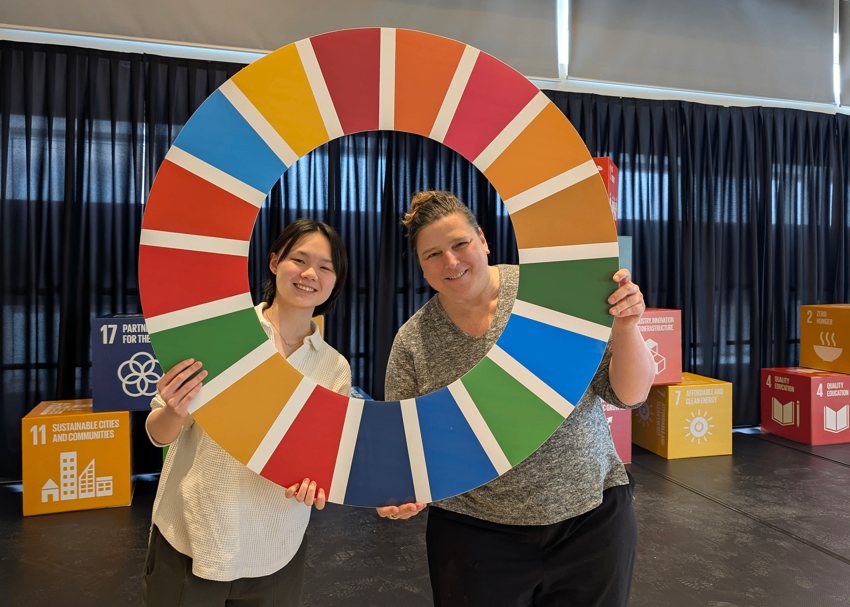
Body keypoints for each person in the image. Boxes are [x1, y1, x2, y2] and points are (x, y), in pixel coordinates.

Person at [377, 191, 655, 607]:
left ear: (483, 240)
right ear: (420, 265)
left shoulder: (549, 296)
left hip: (591, 520)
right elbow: (402, 444)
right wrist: (396, 488)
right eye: (433, 254)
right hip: (473, 533)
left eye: (460, 244)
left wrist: (627, 327)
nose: (450, 262)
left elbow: (629, 395)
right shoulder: (413, 340)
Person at [143, 218, 351, 606]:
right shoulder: (220, 336)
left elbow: (322, 459)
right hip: (191, 535)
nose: (310, 274)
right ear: (274, 262)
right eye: (299, 260)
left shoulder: (333, 368)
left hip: (277, 548)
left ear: (335, 280)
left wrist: (317, 482)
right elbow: (158, 433)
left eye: (325, 267)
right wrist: (173, 408)